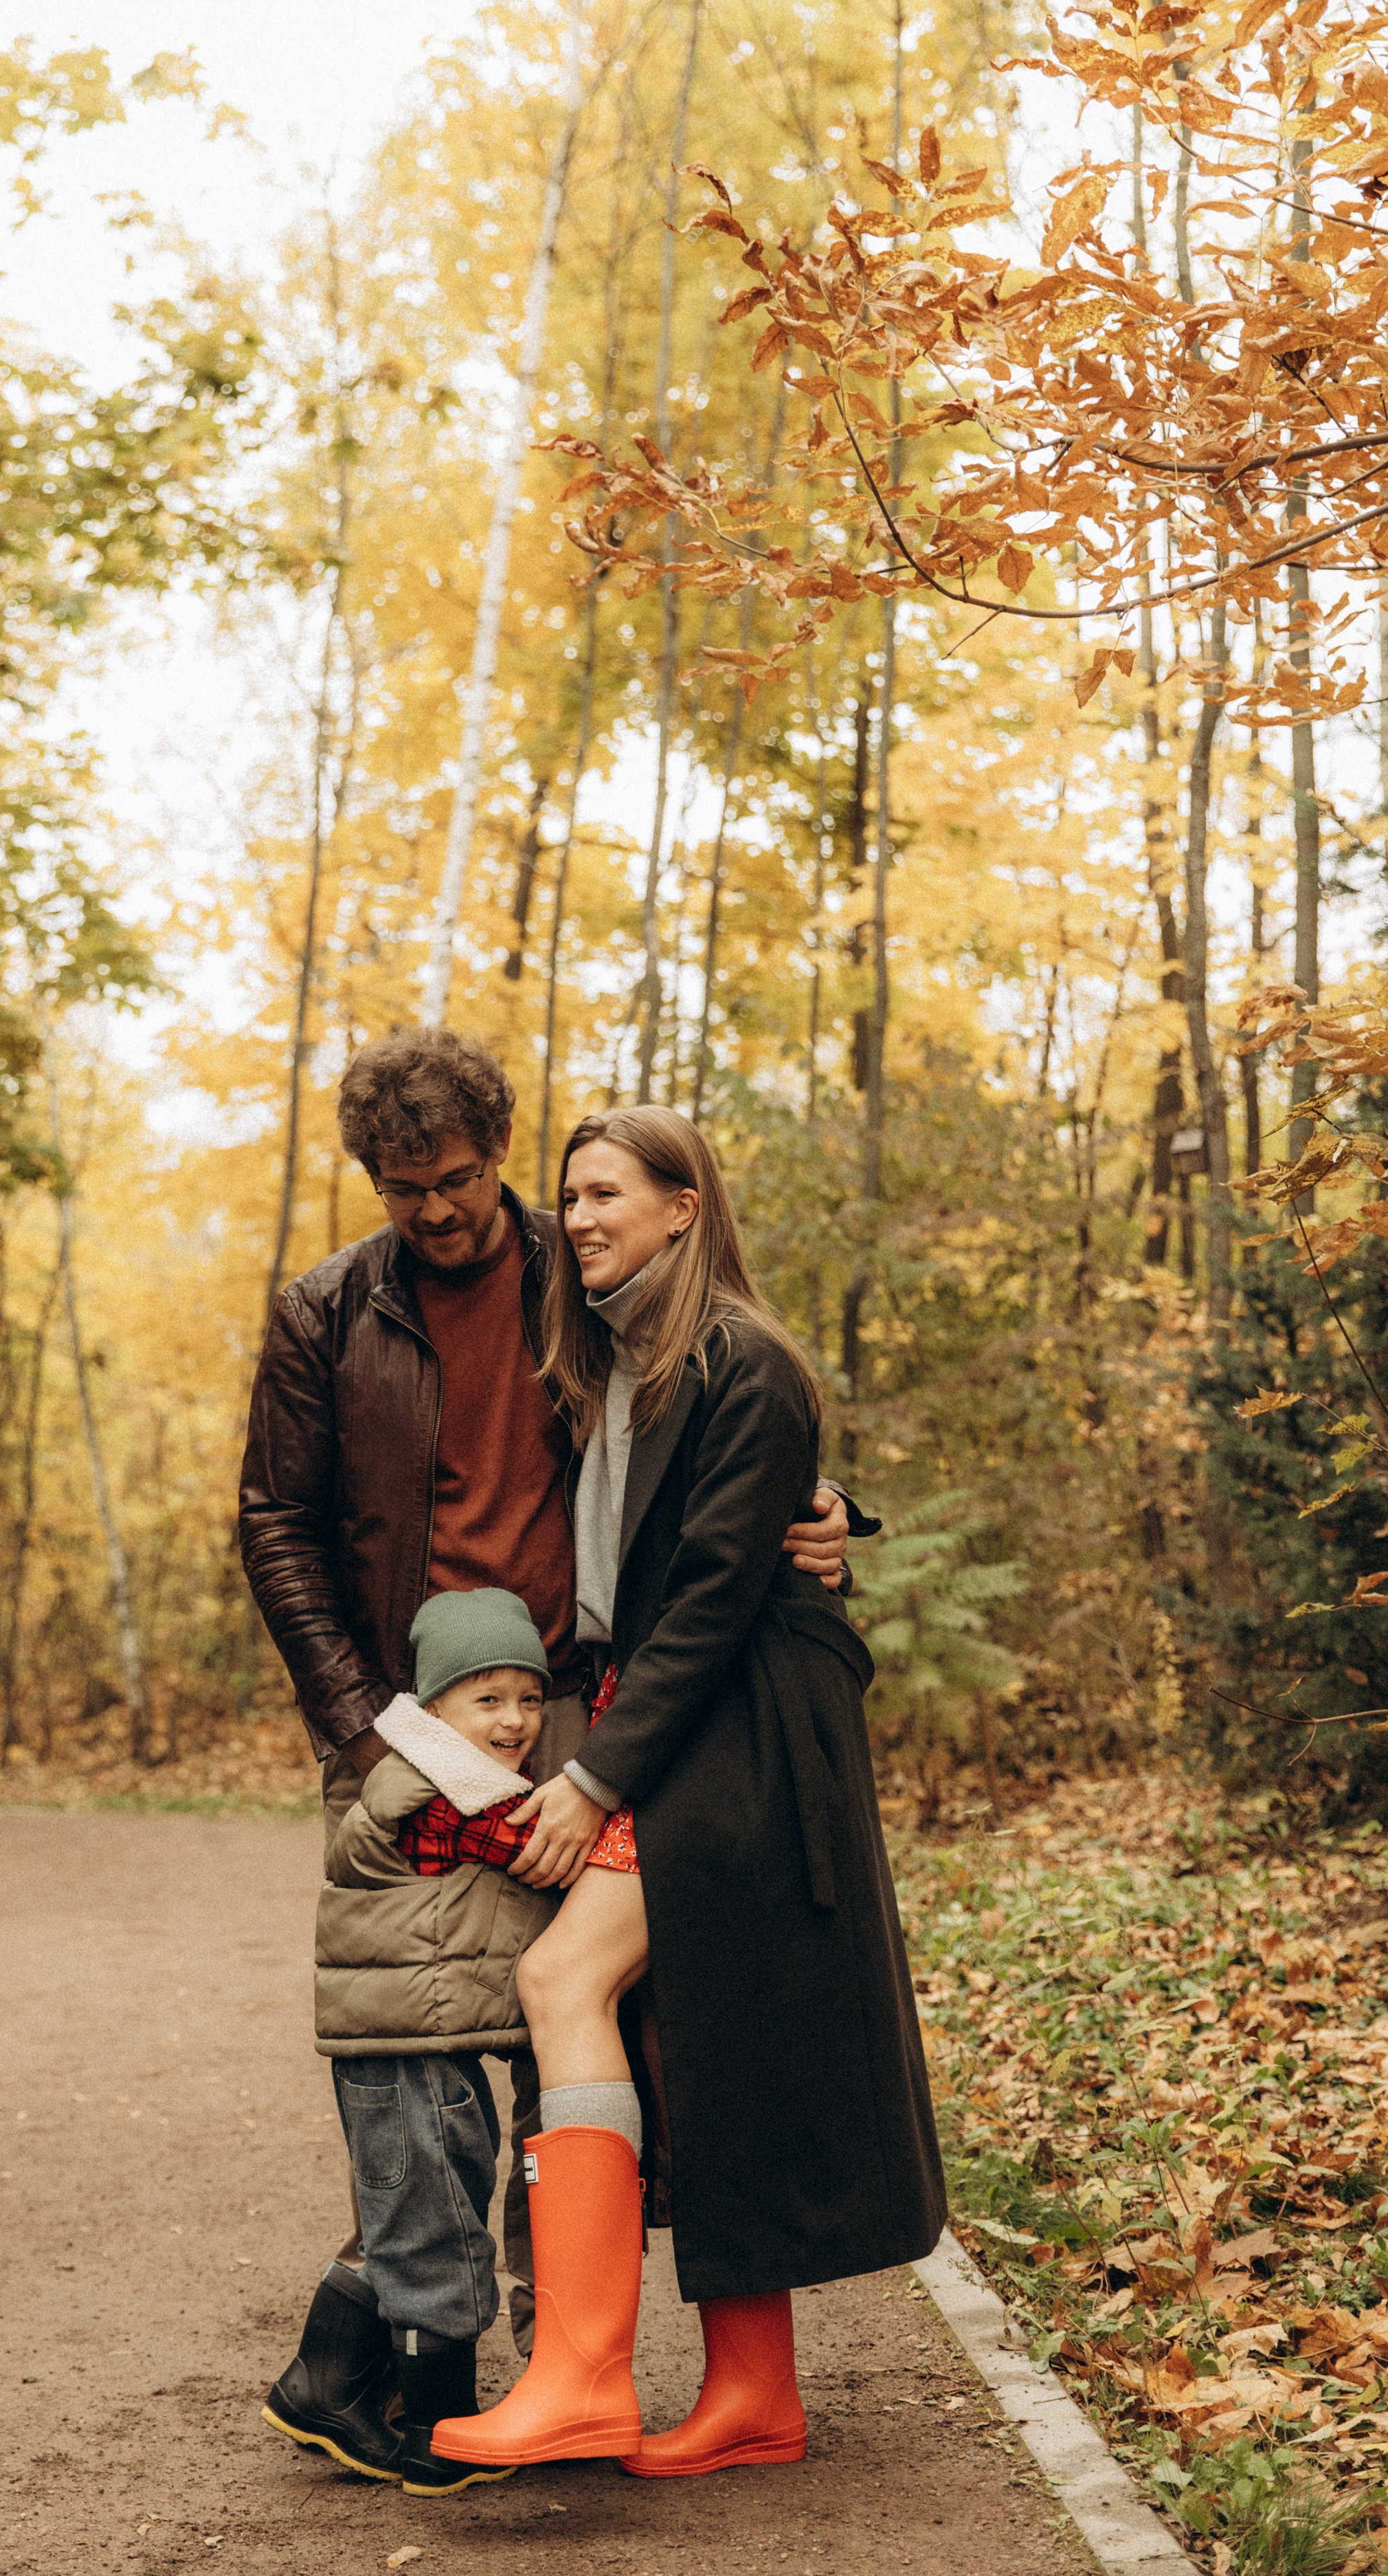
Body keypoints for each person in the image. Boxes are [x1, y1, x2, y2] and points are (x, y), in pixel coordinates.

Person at [238, 1030, 855, 2487]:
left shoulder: (577, 1268)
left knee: (569, 2016)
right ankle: (396, 2354)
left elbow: (704, 1425)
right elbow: (276, 1523)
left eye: (455, 1183)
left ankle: (541, 2364)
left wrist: (826, 1506)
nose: (436, 1214)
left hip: (588, 1698)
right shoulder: (328, 1309)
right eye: (404, 1193)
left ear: (497, 1156)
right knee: (419, 2033)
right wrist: (364, 1726)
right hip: (406, 1714)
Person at [432, 1108, 946, 2481]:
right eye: (568, 1197)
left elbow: (717, 1597)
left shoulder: (745, 1360)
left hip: (742, 1729)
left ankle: (583, 2375)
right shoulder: (613, 1365)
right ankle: (750, 2395)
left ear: (683, 1207)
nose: (579, 1217)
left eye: (604, 1193)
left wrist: (595, 1777)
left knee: (562, 1984)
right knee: (688, 2038)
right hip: (671, 1717)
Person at [267, 1587, 561, 2497]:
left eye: (530, 1697)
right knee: (434, 2224)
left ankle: (325, 2387)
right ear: (433, 1708)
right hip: (401, 2041)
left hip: (416, 2036)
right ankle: (442, 2427)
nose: (514, 1720)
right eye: (488, 1698)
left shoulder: (446, 1768)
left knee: (426, 2210)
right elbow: (536, 1847)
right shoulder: (439, 1781)